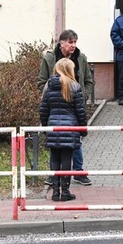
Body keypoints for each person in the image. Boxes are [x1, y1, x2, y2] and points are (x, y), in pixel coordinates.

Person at [42, 29, 96, 186]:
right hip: (55, 107)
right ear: (61, 43)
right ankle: (54, 176)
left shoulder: (81, 58)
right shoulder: (50, 58)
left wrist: (81, 97)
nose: (73, 45)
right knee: (55, 144)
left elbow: (88, 81)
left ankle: (78, 172)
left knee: (75, 139)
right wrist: (49, 98)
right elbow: (42, 81)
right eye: (70, 42)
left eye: (75, 42)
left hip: (74, 106)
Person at [40, 58, 87, 201]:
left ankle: (55, 192)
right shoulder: (75, 86)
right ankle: (65, 191)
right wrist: (83, 129)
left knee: (54, 158)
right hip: (70, 128)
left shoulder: (49, 86)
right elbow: (80, 111)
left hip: (53, 127)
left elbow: (43, 109)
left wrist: (45, 127)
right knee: (67, 159)